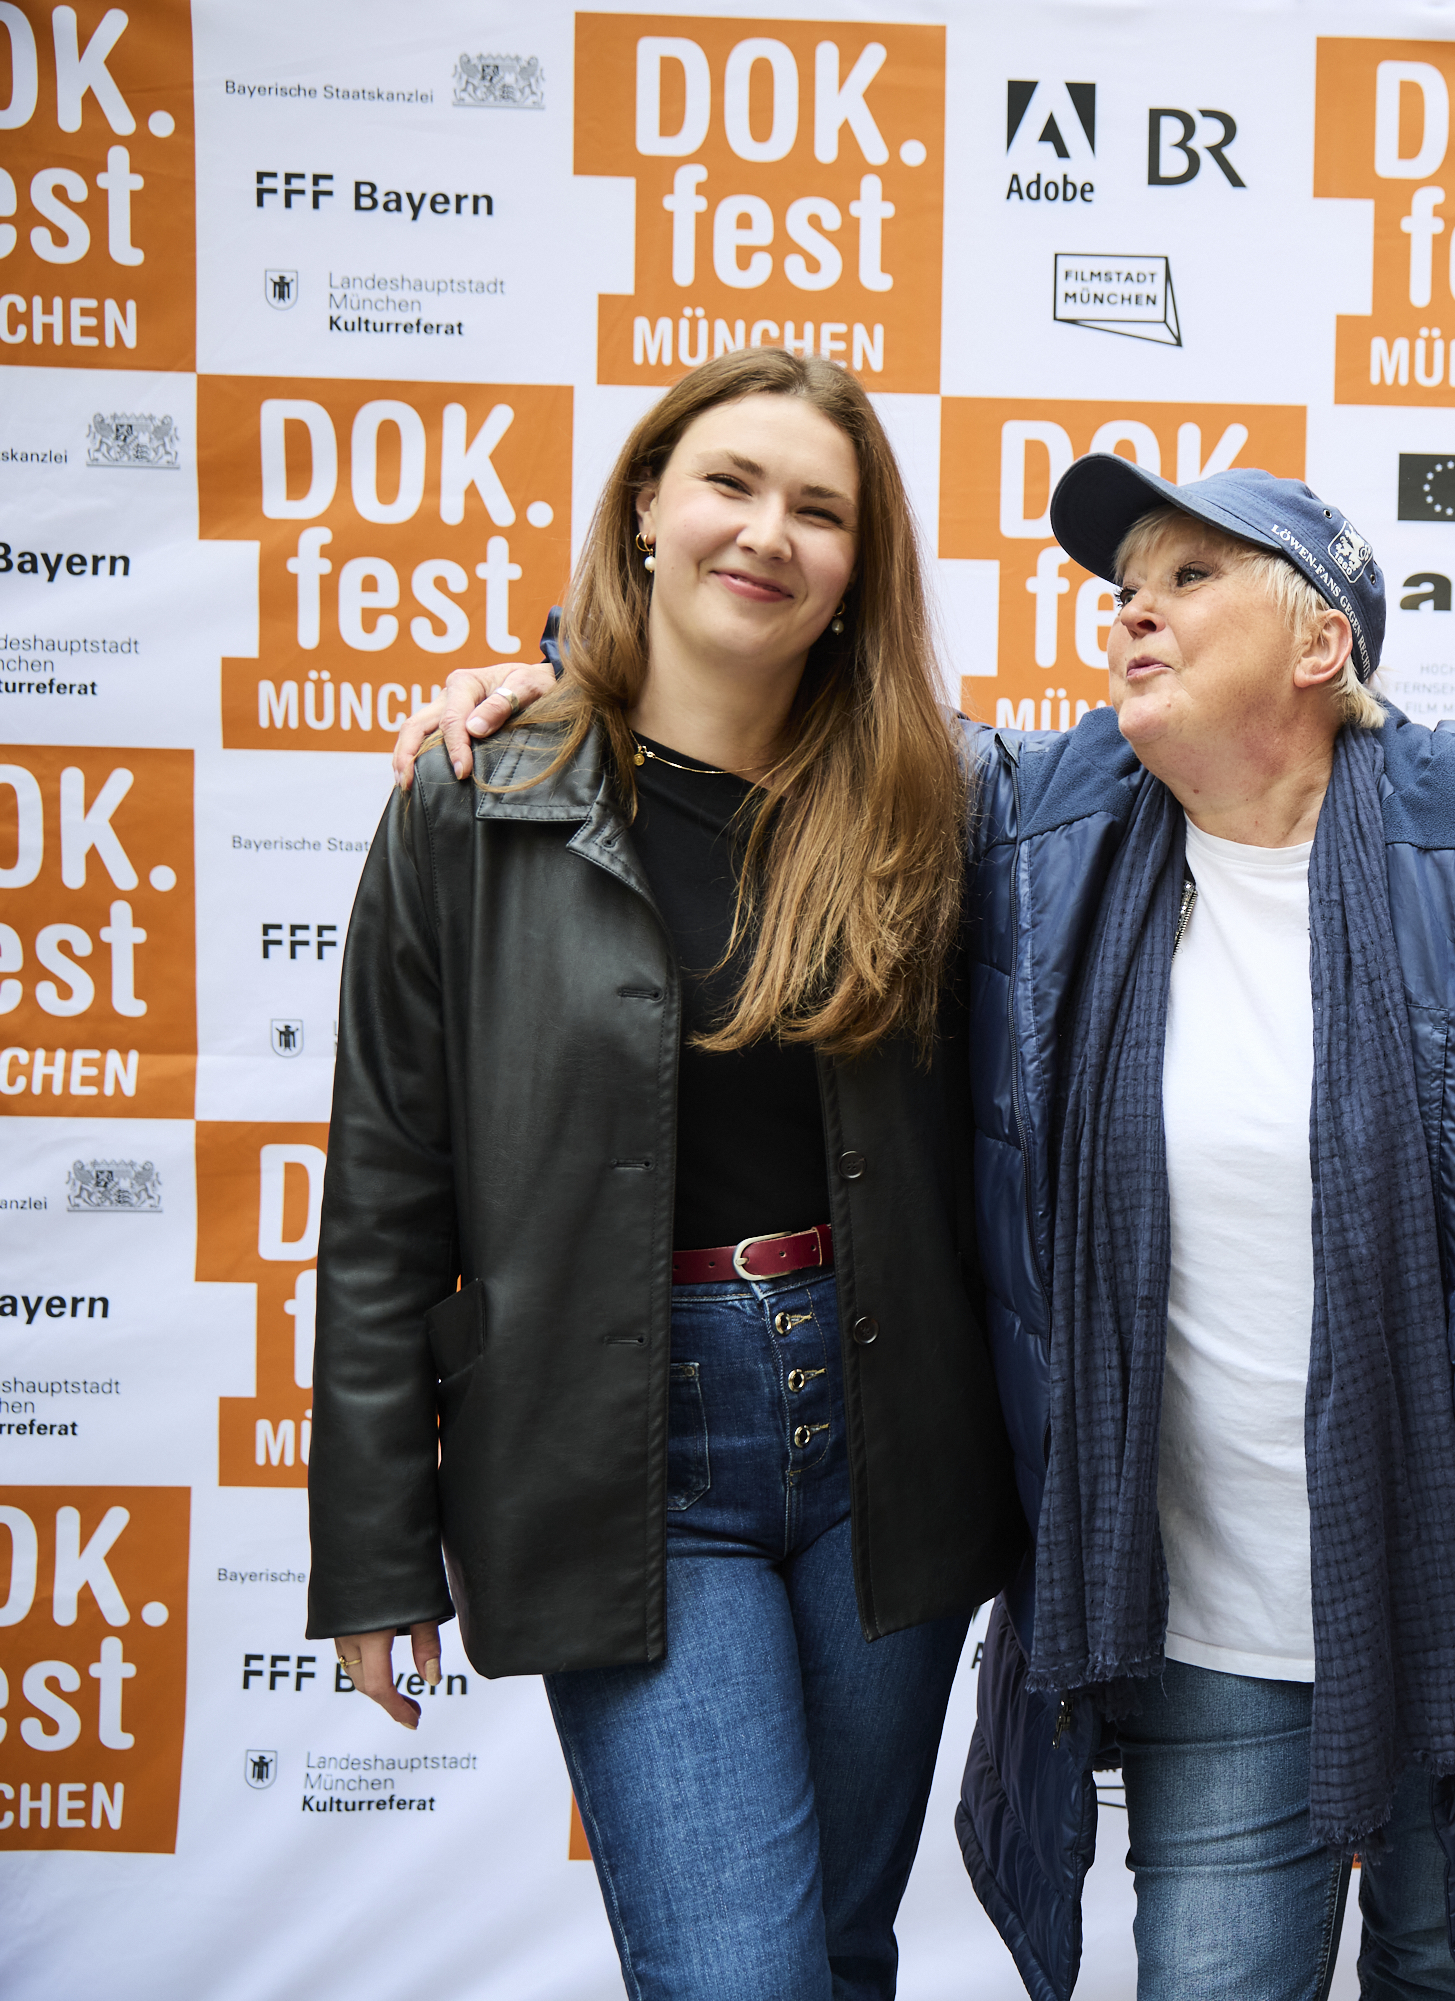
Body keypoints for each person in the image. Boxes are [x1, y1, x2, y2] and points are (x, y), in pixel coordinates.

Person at [395, 456, 1455, 2001]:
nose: (1133, 605)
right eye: (1125, 581)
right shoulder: (1040, 824)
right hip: (1206, 1635)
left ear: (1322, 643)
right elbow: (781, 712)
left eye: (1187, 575)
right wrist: (567, 676)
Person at [309, 348, 1019, 2000]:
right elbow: (384, 1201)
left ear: (857, 569)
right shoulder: (474, 795)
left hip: (888, 1432)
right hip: (630, 1448)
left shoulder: (941, 801)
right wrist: (372, 1551)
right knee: (739, 1974)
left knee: (836, 1953)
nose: (768, 532)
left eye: (820, 509)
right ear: (645, 507)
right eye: (730, 483)